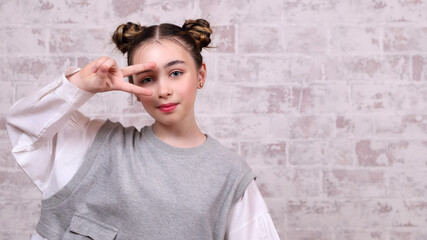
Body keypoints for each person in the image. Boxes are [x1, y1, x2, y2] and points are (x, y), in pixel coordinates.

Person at [6, 19, 280, 240]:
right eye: (147, 79)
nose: (163, 90)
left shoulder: (230, 174)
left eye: (176, 73)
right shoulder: (98, 145)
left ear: (201, 75)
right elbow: (26, 130)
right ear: (134, 90)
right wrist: (78, 85)